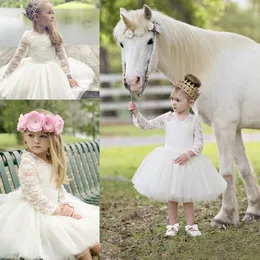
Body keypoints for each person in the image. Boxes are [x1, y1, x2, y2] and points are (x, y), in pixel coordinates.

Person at [128, 74, 227, 237]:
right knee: (171, 197)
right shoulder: (167, 118)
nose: (173, 102)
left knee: (188, 197)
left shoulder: (193, 121)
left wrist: (188, 154)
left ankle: (191, 226)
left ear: (191, 102)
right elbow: (146, 125)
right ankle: (172, 225)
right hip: (170, 162)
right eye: (172, 99)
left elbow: (199, 144)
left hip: (186, 162)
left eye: (178, 100)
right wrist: (136, 113)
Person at [0, 109, 100, 260]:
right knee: (79, 244)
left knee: (89, 233)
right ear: (25, 138)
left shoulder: (50, 160)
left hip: (57, 205)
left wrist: (66, 204)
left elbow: (58, 187)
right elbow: (33, 194)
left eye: (43, 136)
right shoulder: (28, 162)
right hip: (39, 212)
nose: (36, 141)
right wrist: (57, 211)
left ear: (53, 138)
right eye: (31, 136)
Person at [0, 0, 95, 99]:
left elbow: (62, 56)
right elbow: (17, 58)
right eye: (49, 13)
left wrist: (68, 76)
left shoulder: (53, 35)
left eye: (53, 12)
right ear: (36, 17)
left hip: (53, 70)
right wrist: (6, 75)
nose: (53, 16)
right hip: (32, 70)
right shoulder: (27, 36)